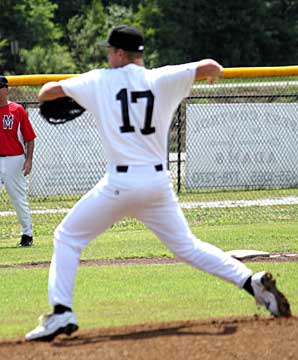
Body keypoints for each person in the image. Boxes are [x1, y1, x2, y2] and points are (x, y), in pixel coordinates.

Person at [25, 25, 291, 341]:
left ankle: (61, 312)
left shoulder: (98, 80)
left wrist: (80, 97)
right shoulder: (163, 78)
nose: (108, 55)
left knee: (67, 237)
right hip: (156, 184)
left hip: (118, 184)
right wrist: (205, 75)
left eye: (110, 50)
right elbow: (211, 67)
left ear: (120, 54)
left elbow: (46, 93)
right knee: (188, 246)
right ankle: (253, 283)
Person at [0, 75, 36, 247]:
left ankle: (27, 234)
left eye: (0, 87)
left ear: (6, 89)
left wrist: (28, 160)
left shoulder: (17, 110)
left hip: (14, 159)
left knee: (18, 198)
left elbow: (30, 138)